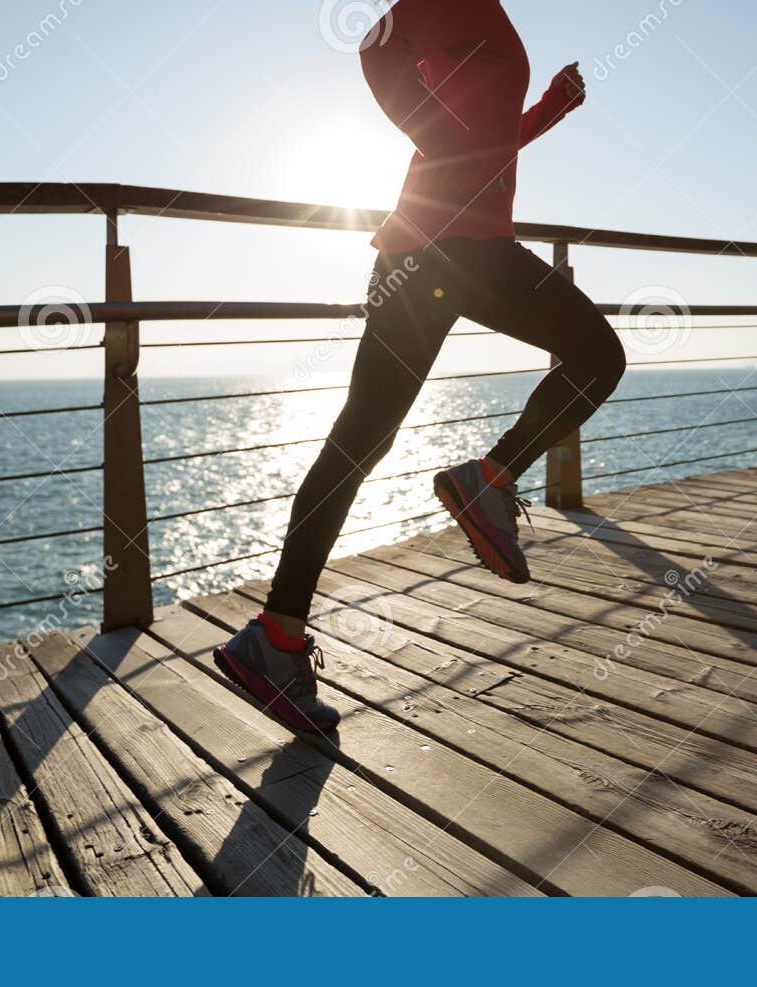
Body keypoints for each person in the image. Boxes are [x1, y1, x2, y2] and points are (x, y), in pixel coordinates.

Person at [214, 0, 626, 733]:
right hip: (460, 245)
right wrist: (437, 135)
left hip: (423, 246)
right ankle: (488, 482)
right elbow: (377, 47)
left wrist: (544, 114)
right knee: (598, 356)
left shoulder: (487, 19)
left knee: (357, 442)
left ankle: (274, 637)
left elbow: (484, 138)